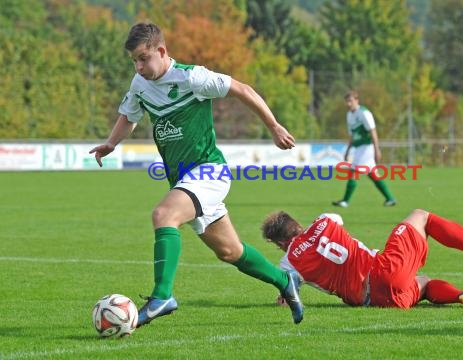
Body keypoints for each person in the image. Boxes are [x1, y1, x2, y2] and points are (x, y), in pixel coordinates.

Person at [89, 22, 303, 327]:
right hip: (185, 181)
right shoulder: (140, 85)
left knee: (163, 214)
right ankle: (285, 280)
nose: (138, 67)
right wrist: (111, 143)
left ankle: (162, 296)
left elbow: (243, 89)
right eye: (134, 61)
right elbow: (129, 115)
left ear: (161, 51)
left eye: (143, 58)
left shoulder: (193, 77)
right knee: (230, 251)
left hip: (209, 172)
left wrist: (274, 126)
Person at [262, 209, 463, 310]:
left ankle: (461, 295)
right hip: (382, 271)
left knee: (423, 284)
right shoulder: (326, 219)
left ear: (279, 243)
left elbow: (289, 291)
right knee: (421, 216)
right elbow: (333, 228)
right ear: (296, 225)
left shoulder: (289, 262)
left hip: (373, 301)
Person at [332, 90, 396, 208]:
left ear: (357, 100)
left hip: (367, 147)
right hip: (358, 147)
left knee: (353, 170)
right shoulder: (349, 115)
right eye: (347, 101)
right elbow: (352, 135)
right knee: (372, 174)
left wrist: (377, 149)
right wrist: (347, 150)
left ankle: (345, 201)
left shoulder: (364, 113)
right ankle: (390, 199)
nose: (348, 104)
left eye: (350, 101)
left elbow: (373, 131)